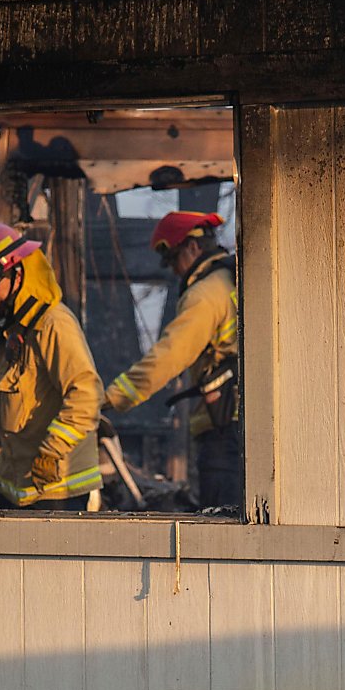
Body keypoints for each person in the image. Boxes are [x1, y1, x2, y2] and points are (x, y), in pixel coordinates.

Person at [0, 220, 101, 510]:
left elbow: (86, 393)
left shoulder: (54, 323)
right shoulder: (17, 328)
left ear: (17, 273)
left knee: (44, 556)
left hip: (57, 481)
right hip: (14, 473)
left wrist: (52, 450)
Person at [103, 209, 242, 512]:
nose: (175, 270)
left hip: (224, 433)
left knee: (221, 528)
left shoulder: (205, 294)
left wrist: (111, 398)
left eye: (174, 258)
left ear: (193, 247)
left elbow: (169, 356)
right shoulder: (232, 282)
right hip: (240, 425)